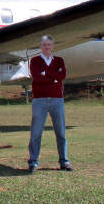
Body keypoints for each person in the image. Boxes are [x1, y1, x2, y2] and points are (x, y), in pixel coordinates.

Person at [28, 35, 73, 173]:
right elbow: (37, 78)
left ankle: (64, 162)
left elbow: (62, 76)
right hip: (40, 100)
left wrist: (46, 73)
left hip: (56, 100)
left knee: (61, 132)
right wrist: (54, 77)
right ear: (40, 46)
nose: (47, 47)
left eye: (49, 44)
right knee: (36, 133)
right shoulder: (35, 61)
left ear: (53, 46)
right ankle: (33, 162)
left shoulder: (59, 60)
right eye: (44, 44)